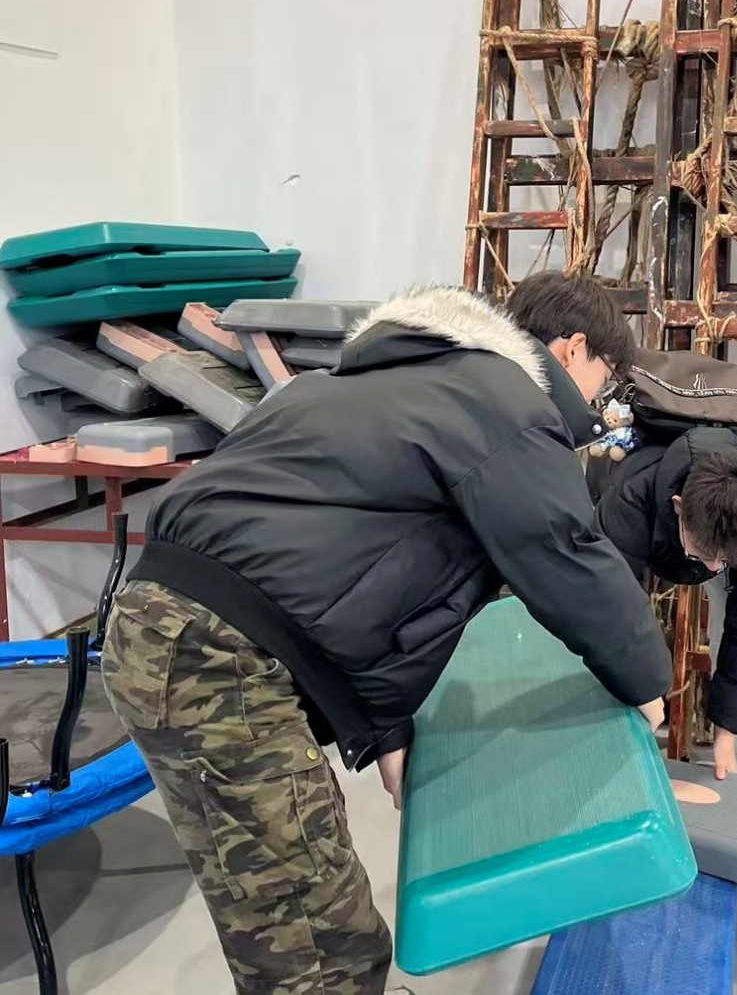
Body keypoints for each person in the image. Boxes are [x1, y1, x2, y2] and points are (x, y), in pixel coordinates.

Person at [100, 271, 673, 993]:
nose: (599, 402)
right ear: (572, 348)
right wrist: (648, 683)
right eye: (605, 380)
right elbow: (562, 551)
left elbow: (363, 572)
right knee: (316, 947)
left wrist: (382, 725)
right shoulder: (505, 402)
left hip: (167, 630)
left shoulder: (354, 386)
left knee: (290, 900)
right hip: (217, 655)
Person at [594, 426, 737, 782]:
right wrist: (643, 691)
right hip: (646, 531)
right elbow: (610, 619)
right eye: (704, 555)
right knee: (610, 657)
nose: (714, 568)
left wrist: (726, 734)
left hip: (721, 541)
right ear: (678, 507)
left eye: (725, 561)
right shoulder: (628, 501)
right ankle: (611, 776)